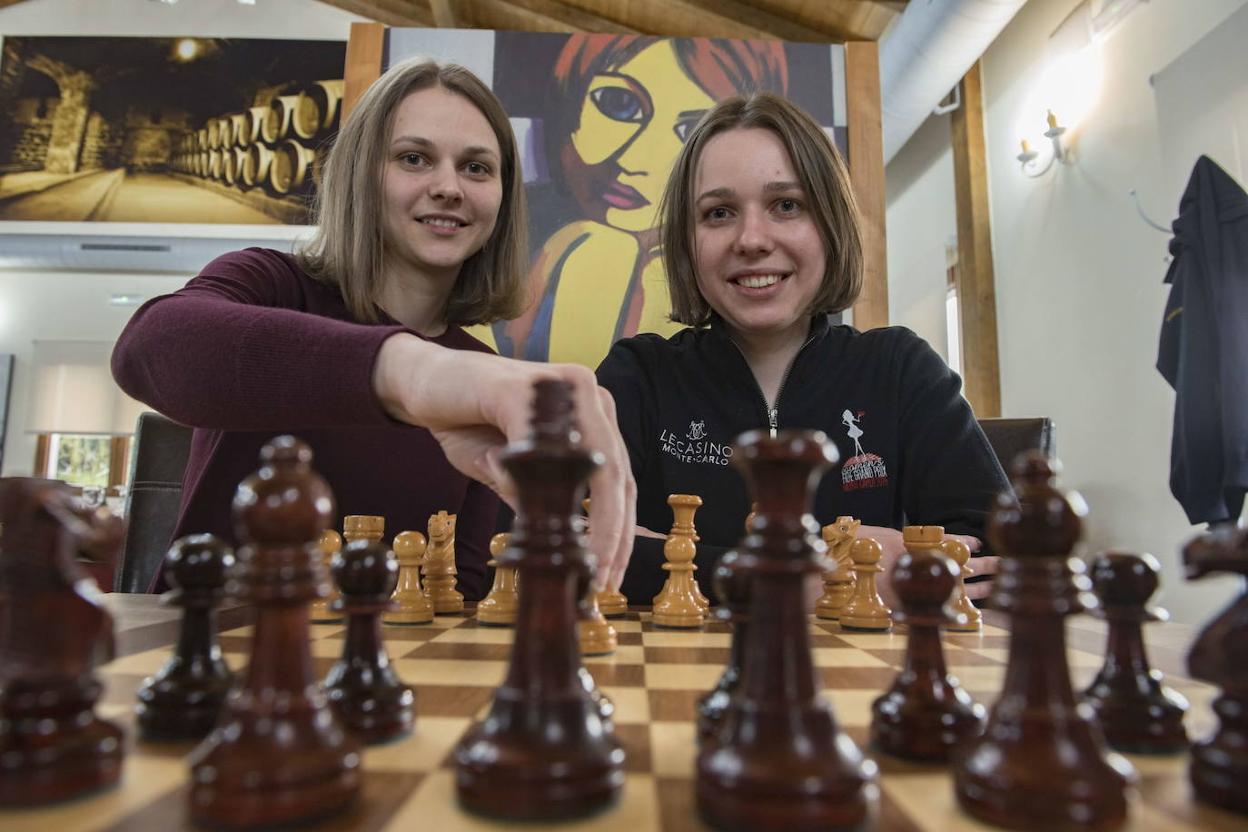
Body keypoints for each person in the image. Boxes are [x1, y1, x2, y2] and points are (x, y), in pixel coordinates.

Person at [112, 58, 634, 597]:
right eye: (414, 158)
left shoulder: (480, 375)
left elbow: (463, 584)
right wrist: (411, 372)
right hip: (215, 660)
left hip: (376, 672)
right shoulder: (272, 284)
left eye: (477, 167)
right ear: (361, 172)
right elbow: (148, 347)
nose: (449, 187)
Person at [595, 92, 1008, 607]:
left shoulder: (900, 369)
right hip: (670, 683)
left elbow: (993, 557)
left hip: (862, 684)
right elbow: (568, 545)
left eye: (786, 205)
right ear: (687, 241)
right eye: (719, 212)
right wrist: (815, 576)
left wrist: (672, 557)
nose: (751, 238)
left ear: (829, 224)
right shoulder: (638, 376)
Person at [495, 35, 788, 369]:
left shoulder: (725, 273)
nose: (635, 160)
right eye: (619, 104)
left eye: (693, 129)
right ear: (570, 101)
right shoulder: (510, 227)